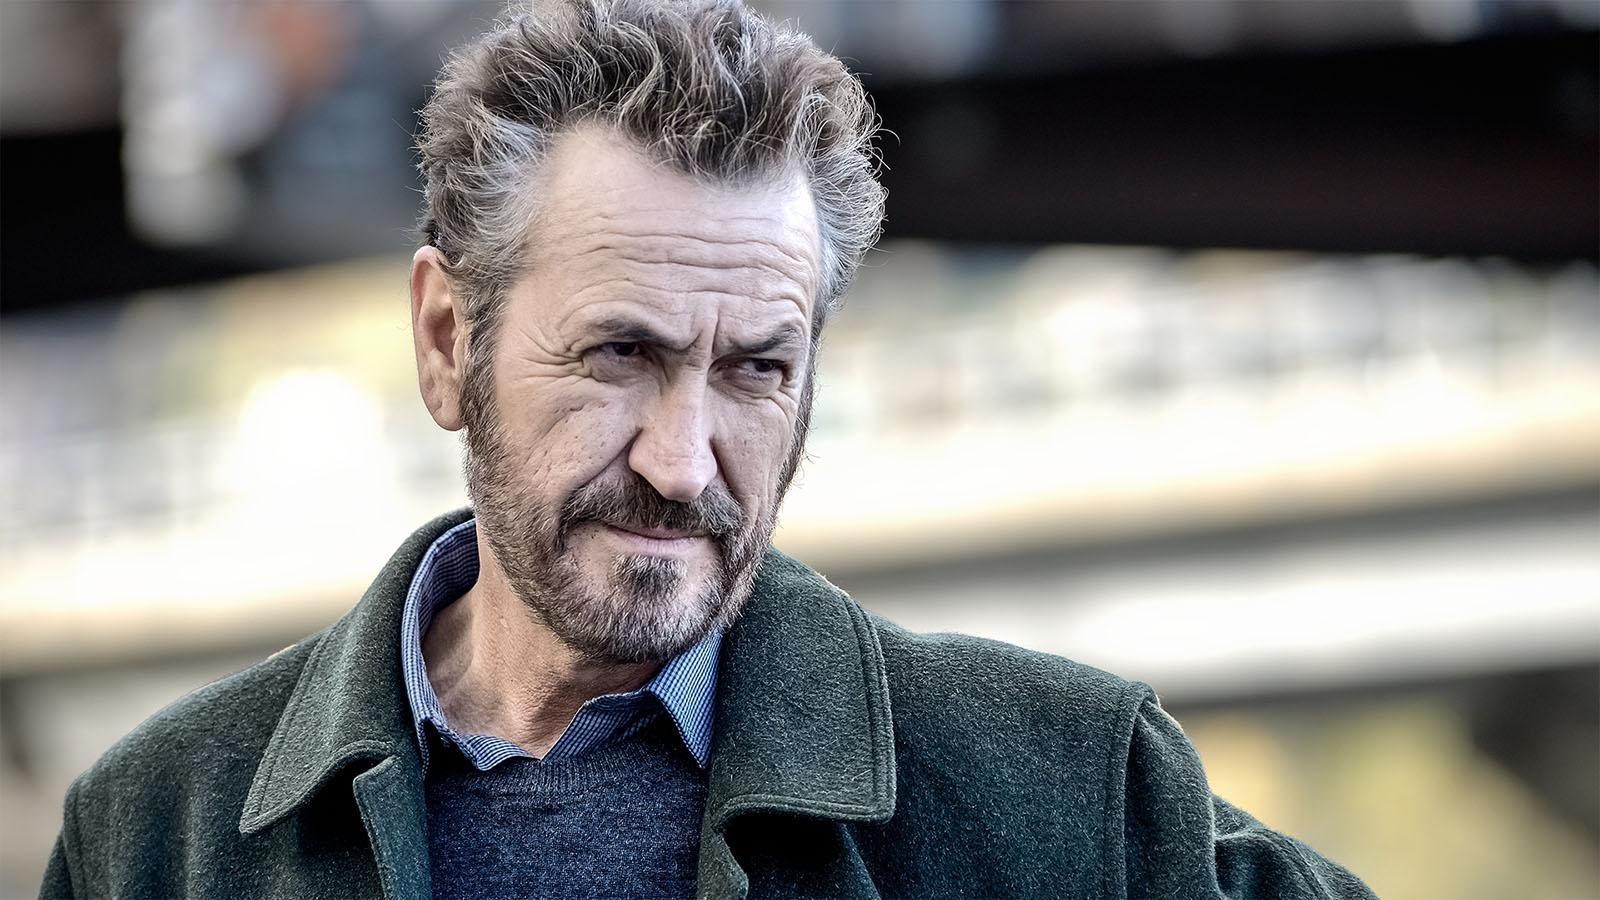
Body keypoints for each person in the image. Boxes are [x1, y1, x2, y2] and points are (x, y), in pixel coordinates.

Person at [41, 1, 1376, 898]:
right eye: (620, 355)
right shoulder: (157, 833)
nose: (683, 466)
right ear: (448, 342)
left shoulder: (1070, 791)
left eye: (756, 371)